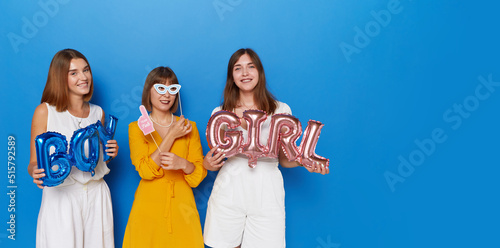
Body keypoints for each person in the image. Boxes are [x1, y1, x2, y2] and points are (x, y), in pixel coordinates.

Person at [203, 48, 329, 248]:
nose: (245, 73)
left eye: (250, 67)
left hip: (267, 191)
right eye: (238, 68)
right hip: (230, 189)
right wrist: (208, 164)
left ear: (259, 72)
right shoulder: (221, 113)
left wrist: (305, 162)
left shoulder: (281, 110)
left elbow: (285, 159)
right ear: (232, 76)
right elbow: (214, 161)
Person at [28, 48, 119, 248]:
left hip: (97, 196)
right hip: (62, 196)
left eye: (86, 70)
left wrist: (110, 153)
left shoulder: (98, 113)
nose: (83, 77)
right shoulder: (45, 112)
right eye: (74, 73)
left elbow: (96, 160)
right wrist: (35, 171)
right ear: (60, 77)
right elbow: (33, 162)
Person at [123, 66, 207, 248]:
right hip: (148, 207)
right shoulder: (136, 128)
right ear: (148, 91)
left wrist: (183, 164)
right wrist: (171, 136)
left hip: (182, 207)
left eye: (172, 89)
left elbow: (197, 176)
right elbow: (145, 171)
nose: (166, 94)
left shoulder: (189, 126)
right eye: (160, 88)